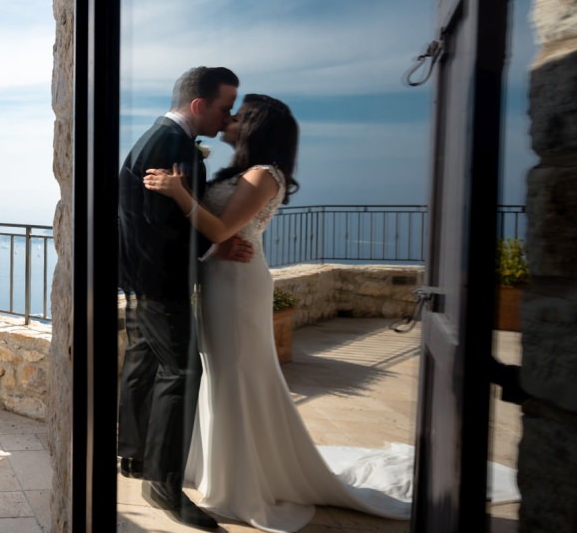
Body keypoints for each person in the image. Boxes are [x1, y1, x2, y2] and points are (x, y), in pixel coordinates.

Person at [143, 94, 411, 531]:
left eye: (239, 115)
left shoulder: (265, 175)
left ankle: (242, 482)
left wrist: (178, 193)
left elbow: (221, 228)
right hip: (219, 279)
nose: (229, 119)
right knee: (221, 374)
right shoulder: (243, 172)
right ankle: (219, 468)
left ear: (255, 127)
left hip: (237, 287)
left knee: (238, 374)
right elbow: (217, 234)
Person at [117, 65, 246, 531]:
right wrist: (215, 247)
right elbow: (162, 227)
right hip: (161, 281)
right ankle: (163, 484)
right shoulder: (174, 148)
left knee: (144, 362)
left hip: (139, 276)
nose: (226, 116)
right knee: (182, 371)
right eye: (223, 106)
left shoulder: (155, 139)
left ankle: (132, 456)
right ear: (198, 105)